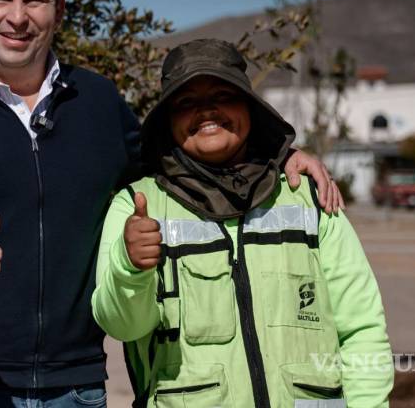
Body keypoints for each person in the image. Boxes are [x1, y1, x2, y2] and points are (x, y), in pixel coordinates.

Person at [0, 0, 343, 407]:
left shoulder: (97, 101)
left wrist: (274, 155)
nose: (17, 17)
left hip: (77, 387)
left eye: (35, 0)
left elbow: (176, 166)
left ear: (59, 10)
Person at [92, 39, 392, 407]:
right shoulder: (137, 206)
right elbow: (121, 326)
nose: (206, 111)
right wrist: (130, 267)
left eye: (223, 94)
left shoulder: (310, 198)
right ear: (168, 120)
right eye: (186, 102)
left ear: (250, 108)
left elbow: (362, 328)